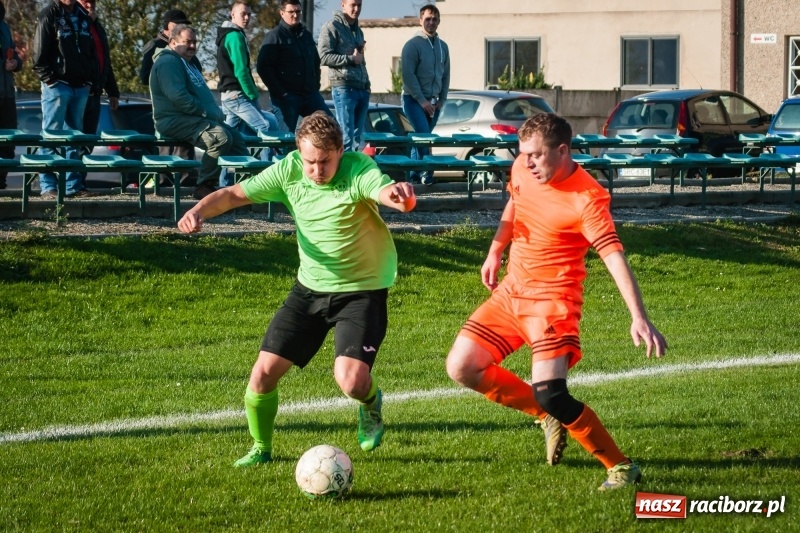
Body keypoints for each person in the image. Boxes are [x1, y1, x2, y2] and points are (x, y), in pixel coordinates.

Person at [177, 111, 417, 467]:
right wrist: (197, 211)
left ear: (340, 151)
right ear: (299, 155)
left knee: (351, 382)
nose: (316, 171)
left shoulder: (358, 169)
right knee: (262, 374)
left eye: (325, 162)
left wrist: (400, 197)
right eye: (310, 162)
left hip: (362, 290)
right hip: (309, 288)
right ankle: (261, 449)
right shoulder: (288, 170)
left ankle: (371, 404)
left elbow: (383, 191)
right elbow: (233, 194)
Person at [445, 113, 667, 491]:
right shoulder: (523, 168)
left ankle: (620, 467)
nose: (527, 162)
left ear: (562, 151)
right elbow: (515, 204)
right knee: (462, 366)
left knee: (552, 393)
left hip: (553, 304)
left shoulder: (588, 199)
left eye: (536, 155)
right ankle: (543, 415)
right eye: (523, 154)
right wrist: (495, 250)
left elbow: (614, 257)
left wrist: (639, 317)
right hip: (512, 292)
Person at [150, 24, 249, 199]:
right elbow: (178, 97)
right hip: (173, 119)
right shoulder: (168, 62)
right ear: (173, 42)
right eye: (187, 42)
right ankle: (204, 185)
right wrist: (205, 113)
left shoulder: (187, 63)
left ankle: (249, 188)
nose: (193, 46)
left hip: (192, 119)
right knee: (220, 137)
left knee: (237, 140)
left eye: (195, 42)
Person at [32, 0, 98, 198]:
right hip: (57, 85)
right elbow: (38, 54)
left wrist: (88, 81)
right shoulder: (49, 14)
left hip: (80, 86)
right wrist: (51, 80)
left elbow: (90, 52)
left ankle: (72, 185)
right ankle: (47, 186)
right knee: (51, 135)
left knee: (74, 138)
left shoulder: (83, 16)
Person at [215, 1, 281, 187]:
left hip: (228, 96)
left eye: (249, 14)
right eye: (243, 14)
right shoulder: (235, 36)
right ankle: (265, 180)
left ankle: (223, 182)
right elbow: (241, 71)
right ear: (232, 14)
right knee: (266, 128)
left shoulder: (226, 35)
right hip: (237, 96)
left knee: (228, 139)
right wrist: (252, 94)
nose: (246, 18)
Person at [140, 8, 200, 188]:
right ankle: (163, 185)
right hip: (165, 106)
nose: (183, 26)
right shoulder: (155, 46)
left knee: (185, 145)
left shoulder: (187, 47)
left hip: (186, 106)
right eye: (179, 23)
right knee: (165, 145)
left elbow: (196, 70)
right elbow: (145, 76)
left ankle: (185, 183)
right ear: (168, 26)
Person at [256, 0, 330, 133]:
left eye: (298, 12)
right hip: (286, 97)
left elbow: (315, 63)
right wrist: (281, 93)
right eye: (291, 12)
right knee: (285, 139)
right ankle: (271, 154)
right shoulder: (274, 36)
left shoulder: (306, 36)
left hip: (310, 95)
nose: (295, 15)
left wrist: (315, 87)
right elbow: (263, 68)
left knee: (329, 127)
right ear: (282, 13)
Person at [401, 4, 449, 185]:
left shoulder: (443, 47)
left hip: (434, 103)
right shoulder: (412, 45)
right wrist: (422, 101)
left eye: (434, 19)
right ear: (420, 20)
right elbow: (407, 76)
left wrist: (441, 100)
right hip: (413, 100)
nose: (431, 22)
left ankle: (413, 176)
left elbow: (446, 75)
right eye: (427, 19)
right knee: (424, 136)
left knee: (419, 137)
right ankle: (428, 174)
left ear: (438, 22)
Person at [75, 0, 119, 189]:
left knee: (87, 142)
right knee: (74, 140)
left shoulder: (97, 27)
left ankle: (79, 182)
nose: (89, 4)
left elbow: (104, 61)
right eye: (84, 1)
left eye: (92, 1)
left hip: (95, 93)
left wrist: (112, 90)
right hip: (79, 91)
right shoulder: (73, 23)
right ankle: (71, 185)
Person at [318, 0, 370, 152]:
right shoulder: (332, 26)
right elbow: (323, 56)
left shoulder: (358, 31)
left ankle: (352, 175)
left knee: (357, 140)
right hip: (344, 88)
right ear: (343, 5)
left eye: (359, 5)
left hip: (362, 88)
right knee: (345, 139)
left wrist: (367, 85)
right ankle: (342, 175)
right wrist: (350, 59)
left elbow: (361, 60)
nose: (356, 9)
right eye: (353, 4)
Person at [0, 0, 22, 190]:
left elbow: (13, 52)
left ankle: (0, 182)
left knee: (8, 141)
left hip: (7, 94)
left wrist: (15, 62)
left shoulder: (4, 26)